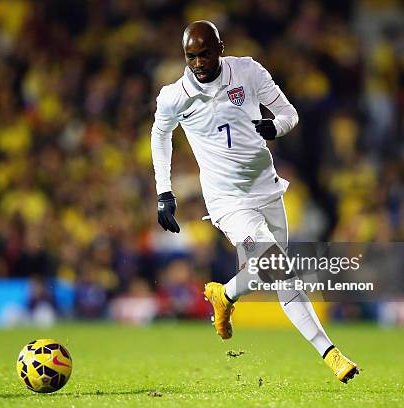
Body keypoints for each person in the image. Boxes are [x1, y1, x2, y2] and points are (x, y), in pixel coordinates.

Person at [151, 20, 359, 383]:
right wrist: (163, 191)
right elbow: (160, 136)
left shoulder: (247, 71)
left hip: (267, 187)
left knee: (270, 272)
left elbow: (289, 114)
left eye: (204, 54)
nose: (198, 62)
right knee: (282, 269)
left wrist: (275, 128)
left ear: (220, 48)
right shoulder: (175, 96)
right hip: (228, 201)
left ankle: (225, 294)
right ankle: (332, 356)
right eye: (191, 56)